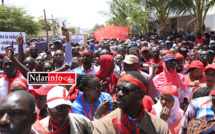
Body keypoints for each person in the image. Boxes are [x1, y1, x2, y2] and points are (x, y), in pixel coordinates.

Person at [93, 71, 170, 134]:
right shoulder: (105, 125)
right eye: (118, 89)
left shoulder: (159, 126)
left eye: (125, 90)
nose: (119, 94)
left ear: (140, 95)